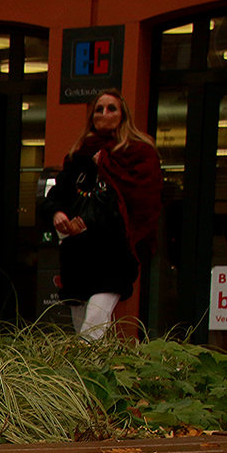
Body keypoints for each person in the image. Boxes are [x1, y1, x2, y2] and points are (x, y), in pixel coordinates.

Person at [41, 89, 162, 340]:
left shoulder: (137, 153)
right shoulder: (79, 156)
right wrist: (57, 215)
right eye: (99, 109)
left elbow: (138, 202)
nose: (104, 114)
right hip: (79, 254)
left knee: (94, 320)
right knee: (82, 322)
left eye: (111, 108)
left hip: (113, 253)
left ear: (123, 115)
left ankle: (81, 375)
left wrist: (107, 165)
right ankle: (96, 374)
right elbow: (56, 195)